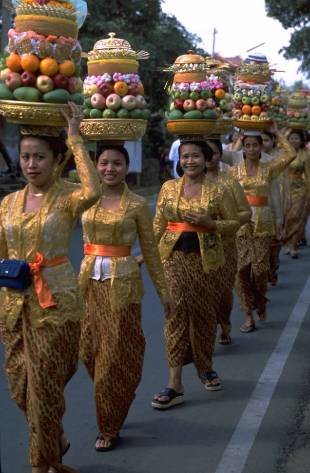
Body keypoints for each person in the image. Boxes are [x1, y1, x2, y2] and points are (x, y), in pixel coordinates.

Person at [0, 103, 101, 473]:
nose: (31, 164)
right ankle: (54, 438)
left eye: (39, 157)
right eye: (25, 156)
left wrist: (75, 138)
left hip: (56, 305)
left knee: (43, 386)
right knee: (20, 388)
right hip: (12, 307)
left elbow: (94, 189)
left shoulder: (68, 195)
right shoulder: (8, 204)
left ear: (57, 160)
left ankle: (40, 466)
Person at [79, 143, 171, 451]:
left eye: (116, 163)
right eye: (103, 162)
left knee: (112, 358)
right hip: (87, 285)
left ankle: (108, 425)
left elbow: (151, 253)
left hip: (123, 288)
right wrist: (72, 137)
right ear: (96, 165)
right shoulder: (85, 199)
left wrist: (164, 293)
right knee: (87, 352)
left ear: (126, 166)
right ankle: (114, 397)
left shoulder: (137, 205)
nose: (109, 169)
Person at [151, 139, 240, 409]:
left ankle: (205, 367)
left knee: (203, 315)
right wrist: (147, 253)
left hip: (206, 260)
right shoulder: (168, 187)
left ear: (207, 159)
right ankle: (174, 383)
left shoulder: (220, 188)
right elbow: (159, 223)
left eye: (195, 156)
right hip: (173, 259)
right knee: (174, 314)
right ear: (179, 160)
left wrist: (211, 224)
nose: (189, 161)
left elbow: (234, 222)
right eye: (185, 156)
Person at [229, 129, 296, 332]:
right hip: (240, 225)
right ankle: (248, 314)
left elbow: (291, 154)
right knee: (240, 272)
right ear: (242, 146)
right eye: (247, 145)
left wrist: (277, 132)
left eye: (255, 145)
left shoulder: (269, 168)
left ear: (261, 147)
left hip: (263, 223)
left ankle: (261, 300)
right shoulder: (233, 170)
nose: (251, 149)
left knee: (259, 271)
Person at [206, 139, 251, 344]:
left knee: (223, 290)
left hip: (226, 244)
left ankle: (224, 324)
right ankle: (206, 333)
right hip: (199, 249)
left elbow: (246, 212)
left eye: (213, 153)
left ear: (220, 155)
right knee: (204, 291)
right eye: (202, 153)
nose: (208, 158)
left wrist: (223, 223)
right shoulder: (187, 185)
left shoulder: (230, 183)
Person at [261, 130, 288, 284]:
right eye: (260, 140)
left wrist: (278, 131)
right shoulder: (244, 159)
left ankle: (272, 267)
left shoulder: (276, 159)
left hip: (273, 206)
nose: (263, 143)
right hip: (251, 214)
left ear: (273, 141)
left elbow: (291, 154)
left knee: (273, 246)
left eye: (266, 140)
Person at [283, 130, 310, 258]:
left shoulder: (305, 155)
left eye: (296, 138)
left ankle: (293, 245)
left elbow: (309, 176)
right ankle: (288, 242)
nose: (294, 141)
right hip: (285, 188)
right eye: (291, 138)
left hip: (300, 189)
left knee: (296, 217)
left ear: (301, 141)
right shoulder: (284, 154)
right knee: (287, 218)